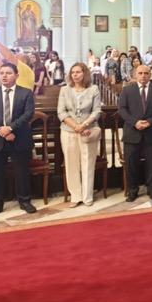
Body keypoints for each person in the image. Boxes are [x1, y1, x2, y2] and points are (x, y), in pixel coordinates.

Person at [117, 65, 152, 202]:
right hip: (132, 132)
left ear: (150, 75)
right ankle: (133, 190)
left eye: (146, 73)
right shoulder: (127, 90)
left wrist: (149, 122)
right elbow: (122, 109)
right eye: (140, 73)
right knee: (131, 164)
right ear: (135, 75)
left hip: (151, 132)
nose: (143, 76)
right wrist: (135, 123)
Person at [57, 63, 101, 207]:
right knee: (71, 163)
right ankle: (75, 196)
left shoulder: (93, 89)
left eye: (78, 72)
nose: (75, 75)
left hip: (89, 130)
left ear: (85, 73)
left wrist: (84, 125)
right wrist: (76, 127)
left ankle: (87, 196)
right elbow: (61, 112)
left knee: (88, 163)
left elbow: (96, 111)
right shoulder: (64, 90)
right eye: (73, 72)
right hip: (68, 131)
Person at [0, 63, 36, 214]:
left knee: (22, 172)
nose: (4, 76)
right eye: (1, 73)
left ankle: (24, 201)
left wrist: (11, 128)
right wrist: (3, 131)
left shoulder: (26, 93)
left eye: (8, 73)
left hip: (20, 137)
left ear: (16, 75)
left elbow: (28, 114)